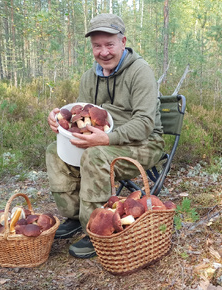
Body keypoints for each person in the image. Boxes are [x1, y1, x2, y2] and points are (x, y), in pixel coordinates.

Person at [46, 13, 164, 259]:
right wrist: (61, 121)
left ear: (123, 41)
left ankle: (96, 228)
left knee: (95, 156)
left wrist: (106, 139)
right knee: (54, 151)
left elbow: (144, 124)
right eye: (97, 46)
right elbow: (81, 115)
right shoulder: (90, 77)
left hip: (145, 143)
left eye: (109, 44)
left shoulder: (140, 72)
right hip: (105, 140)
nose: (104, 52)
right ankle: (75, 215)